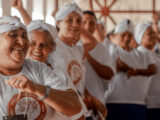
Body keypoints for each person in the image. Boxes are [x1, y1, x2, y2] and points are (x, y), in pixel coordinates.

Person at [0, 16, 82, 120]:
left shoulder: (38, 68)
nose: (22, 42)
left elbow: (75, 106)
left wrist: (36, 88)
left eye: (24, 36)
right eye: (13, 35)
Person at [104, 19, 157, 120]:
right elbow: (111, 68)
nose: (127, 38)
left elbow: (153, 70)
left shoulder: (142, 54)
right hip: (114, 102)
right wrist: (135, 71)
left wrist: (129, 69)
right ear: (116, 35)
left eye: (130, 35)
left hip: (139, 103)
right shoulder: (112, 50)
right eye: (123, 35)